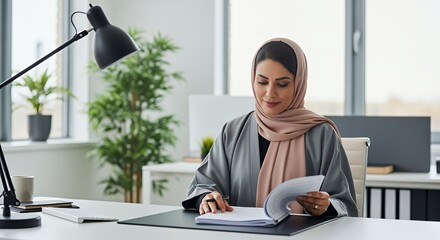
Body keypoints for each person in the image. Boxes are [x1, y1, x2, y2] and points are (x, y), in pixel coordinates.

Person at [182, 37, 357, 217]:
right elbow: (202, 185)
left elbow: (344, 203)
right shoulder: (233, 131)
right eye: (262, 82)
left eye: (282, 84)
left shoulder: (321, 134)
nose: (270, 93)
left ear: (299, 84)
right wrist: (207, 198)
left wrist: (325, 206)